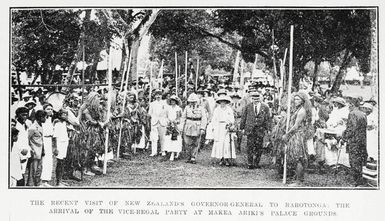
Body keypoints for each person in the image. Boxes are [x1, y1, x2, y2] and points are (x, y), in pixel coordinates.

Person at [281, 91, 313, 185]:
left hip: (298, 135)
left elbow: (296, 126)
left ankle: (299, 181)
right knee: (296, 157)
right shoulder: (298, 109)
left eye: (298, 99)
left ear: (303, 101)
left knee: (298, 157)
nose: (295, 101)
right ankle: (297, 178)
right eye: (295, 99)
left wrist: (287, 135)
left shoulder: (302, 111)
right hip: (297, 135)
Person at [240, 91, 271, 169]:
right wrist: (242, 128)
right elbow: (244, 118)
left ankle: (256, 162)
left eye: (257, 99)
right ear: (251, 99)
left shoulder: (265, 107)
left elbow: (268, 119)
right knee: (250, 146)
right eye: (254, 99)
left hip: (260, 129)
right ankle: (250, 163)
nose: (256, 101)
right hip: (250, 129)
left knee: (259, 146)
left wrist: (268, 129)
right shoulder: (248, 107)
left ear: (260, 99)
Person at [342, 103, 368, 186]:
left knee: (354, 160)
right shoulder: (363, 114)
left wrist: (344, 137)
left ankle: (356, 181)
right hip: (362, 140)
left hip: (354, 141)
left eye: (349, 105)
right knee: (360, 159)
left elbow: (352, 128)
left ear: (352, 105)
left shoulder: (352, 113)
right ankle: (360, 178)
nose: (348, 107)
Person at [180, 93, 208, 164]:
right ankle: (189, 156)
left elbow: (204, 118)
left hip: (197, 125)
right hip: (188, 125)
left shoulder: (201, 108)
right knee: (187, 142)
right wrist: (181, 127)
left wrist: (202, 128)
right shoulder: (187, 108)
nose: (192, 103)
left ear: (197, 101)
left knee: (196, 142)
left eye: (194, 101)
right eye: (191, 102)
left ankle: (193, 157)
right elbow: (183, 118)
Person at [210, 95, 236, 166]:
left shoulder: (229, 109)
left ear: (226, 102)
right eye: (221, 102)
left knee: (227, 143)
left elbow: (232, 119)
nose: (223, 103)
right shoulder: (217, 110)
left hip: (226, 127)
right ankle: (221, 158)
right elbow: (214, 119)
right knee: (220, 143)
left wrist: (230, 125)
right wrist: (214, 128)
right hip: (218, 127)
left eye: (224, 102)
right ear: (219, 102)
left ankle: (227, 159)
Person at [27, 109, 47, 186]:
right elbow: (27, 139)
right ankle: (31, 185)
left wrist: (43, 149)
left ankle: (37, 184)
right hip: (34, 151)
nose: (45, 119)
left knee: (39, 169)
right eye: (44, 117)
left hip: (40, 150)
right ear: (40, 117)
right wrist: (31, 150)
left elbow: (41, 139)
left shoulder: (41, 126)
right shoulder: (33, 127)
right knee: (33, 170)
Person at [148, 89, 168, 156]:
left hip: (162, 122)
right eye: (156, 95)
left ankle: (163, 151)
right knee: (154, 137)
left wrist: (165, 120)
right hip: (154, 122)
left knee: (162, 137)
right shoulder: (152, 104)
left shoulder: (165, 103)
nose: (158, 96)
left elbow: (167, 113)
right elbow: (150, 113)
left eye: (159, 94)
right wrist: (154, 117)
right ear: (155, 96)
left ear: (161, 95)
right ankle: (154, 152)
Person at [53, 109, 70, 186]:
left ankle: (60, 180)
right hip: (59, 144)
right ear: (59, 115)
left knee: (62, 162)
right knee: (59, 163)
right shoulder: (57, 123)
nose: (66, 116)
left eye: (66, 114)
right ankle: (58, 182)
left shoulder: (64, 123)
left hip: (64, 143)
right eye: (64, 114)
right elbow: (55, 137)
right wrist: (56, 148)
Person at [164, 95, 183, 161]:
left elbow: (180, 118)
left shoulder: (179, 109)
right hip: (170, 125)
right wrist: (168, 121)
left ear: (176, 101)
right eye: (171, 100)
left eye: (174, 101)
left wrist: (176, 122)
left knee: (176, 139)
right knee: (169, 138)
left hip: (176, 125)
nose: (172, 102)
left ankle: (176, 152)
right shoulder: (168, 108)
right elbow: (166, 116)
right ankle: (171, 152)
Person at [40, 103, 54, 187]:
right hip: (43, 140)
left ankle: (46, 181)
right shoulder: (42, 120)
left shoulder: (50, 119)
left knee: (49, 161)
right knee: (44, 161)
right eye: (48, 109)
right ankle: (42, 181)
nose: (50, 111)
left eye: (51, 109)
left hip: (49, 140)